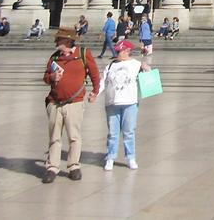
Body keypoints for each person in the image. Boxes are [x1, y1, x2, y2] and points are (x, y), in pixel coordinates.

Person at [42, 27, 100, 183]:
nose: (56, 42)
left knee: (74, 136)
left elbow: (94, 73)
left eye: (59, 40)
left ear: (68, 41)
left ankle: (73, 166)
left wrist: (95, 91)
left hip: (74, 102)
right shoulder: (54, 57)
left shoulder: (83, 54)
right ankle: (52, 167)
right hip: (55, 103)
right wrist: (52, 77)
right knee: (54, 137)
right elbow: (45, 77)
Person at [100, 40, 150, 171]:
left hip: (130, 102)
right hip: (112, 102)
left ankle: (131, 157)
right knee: (112, 133)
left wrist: (147, 70)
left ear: (127, 51)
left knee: (129, 131)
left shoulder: (136, 64)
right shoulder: (111, 65)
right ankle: (110, 157)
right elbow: (102, 81)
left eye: (119, 51)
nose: (116, 53)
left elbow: (148, 79)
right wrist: (95, 93)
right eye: (116, 51)